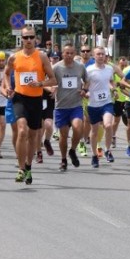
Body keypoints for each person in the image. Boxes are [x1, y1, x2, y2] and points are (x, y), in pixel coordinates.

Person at [3, 25, 57, 184]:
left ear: (36, 39)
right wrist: (8, 87)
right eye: (25, 37)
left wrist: (40, 83)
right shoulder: (14, 57)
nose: (28, 40)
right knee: (21, 131)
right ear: (21, 39)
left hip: (36, 100)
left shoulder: (42, 57)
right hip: (20, 98)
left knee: (33, 136)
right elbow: (6, 74)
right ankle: (20, 168)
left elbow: (53, 80)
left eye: (31, 37)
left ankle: (28, 166)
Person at [85, 46, 125, 167]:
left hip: (106, 102)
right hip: (93, 103)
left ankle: (108, 150)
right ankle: (94, 155)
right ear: (94, 56)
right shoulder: (89, 70)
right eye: (98, 54)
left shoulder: (109, 69)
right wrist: (85, 92)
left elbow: (111, 81)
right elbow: (85, 85)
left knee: (108, 125)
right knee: (94, 130)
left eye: (103, 54)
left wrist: (114, 90)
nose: (101, 56)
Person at [52, 43, 88, 171]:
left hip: (76, 105)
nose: (69, 55)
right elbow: (48, 81)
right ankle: (63, 159)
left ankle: (72, 150)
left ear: (75, 54)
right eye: (67, 53)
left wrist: (85, 89)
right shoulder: (56, 68)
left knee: (78, 128)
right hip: (61, 106)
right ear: (62, 53)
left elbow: (87, 80)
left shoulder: (80, 67)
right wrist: (50, 90)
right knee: (63, 135)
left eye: (72, 53)